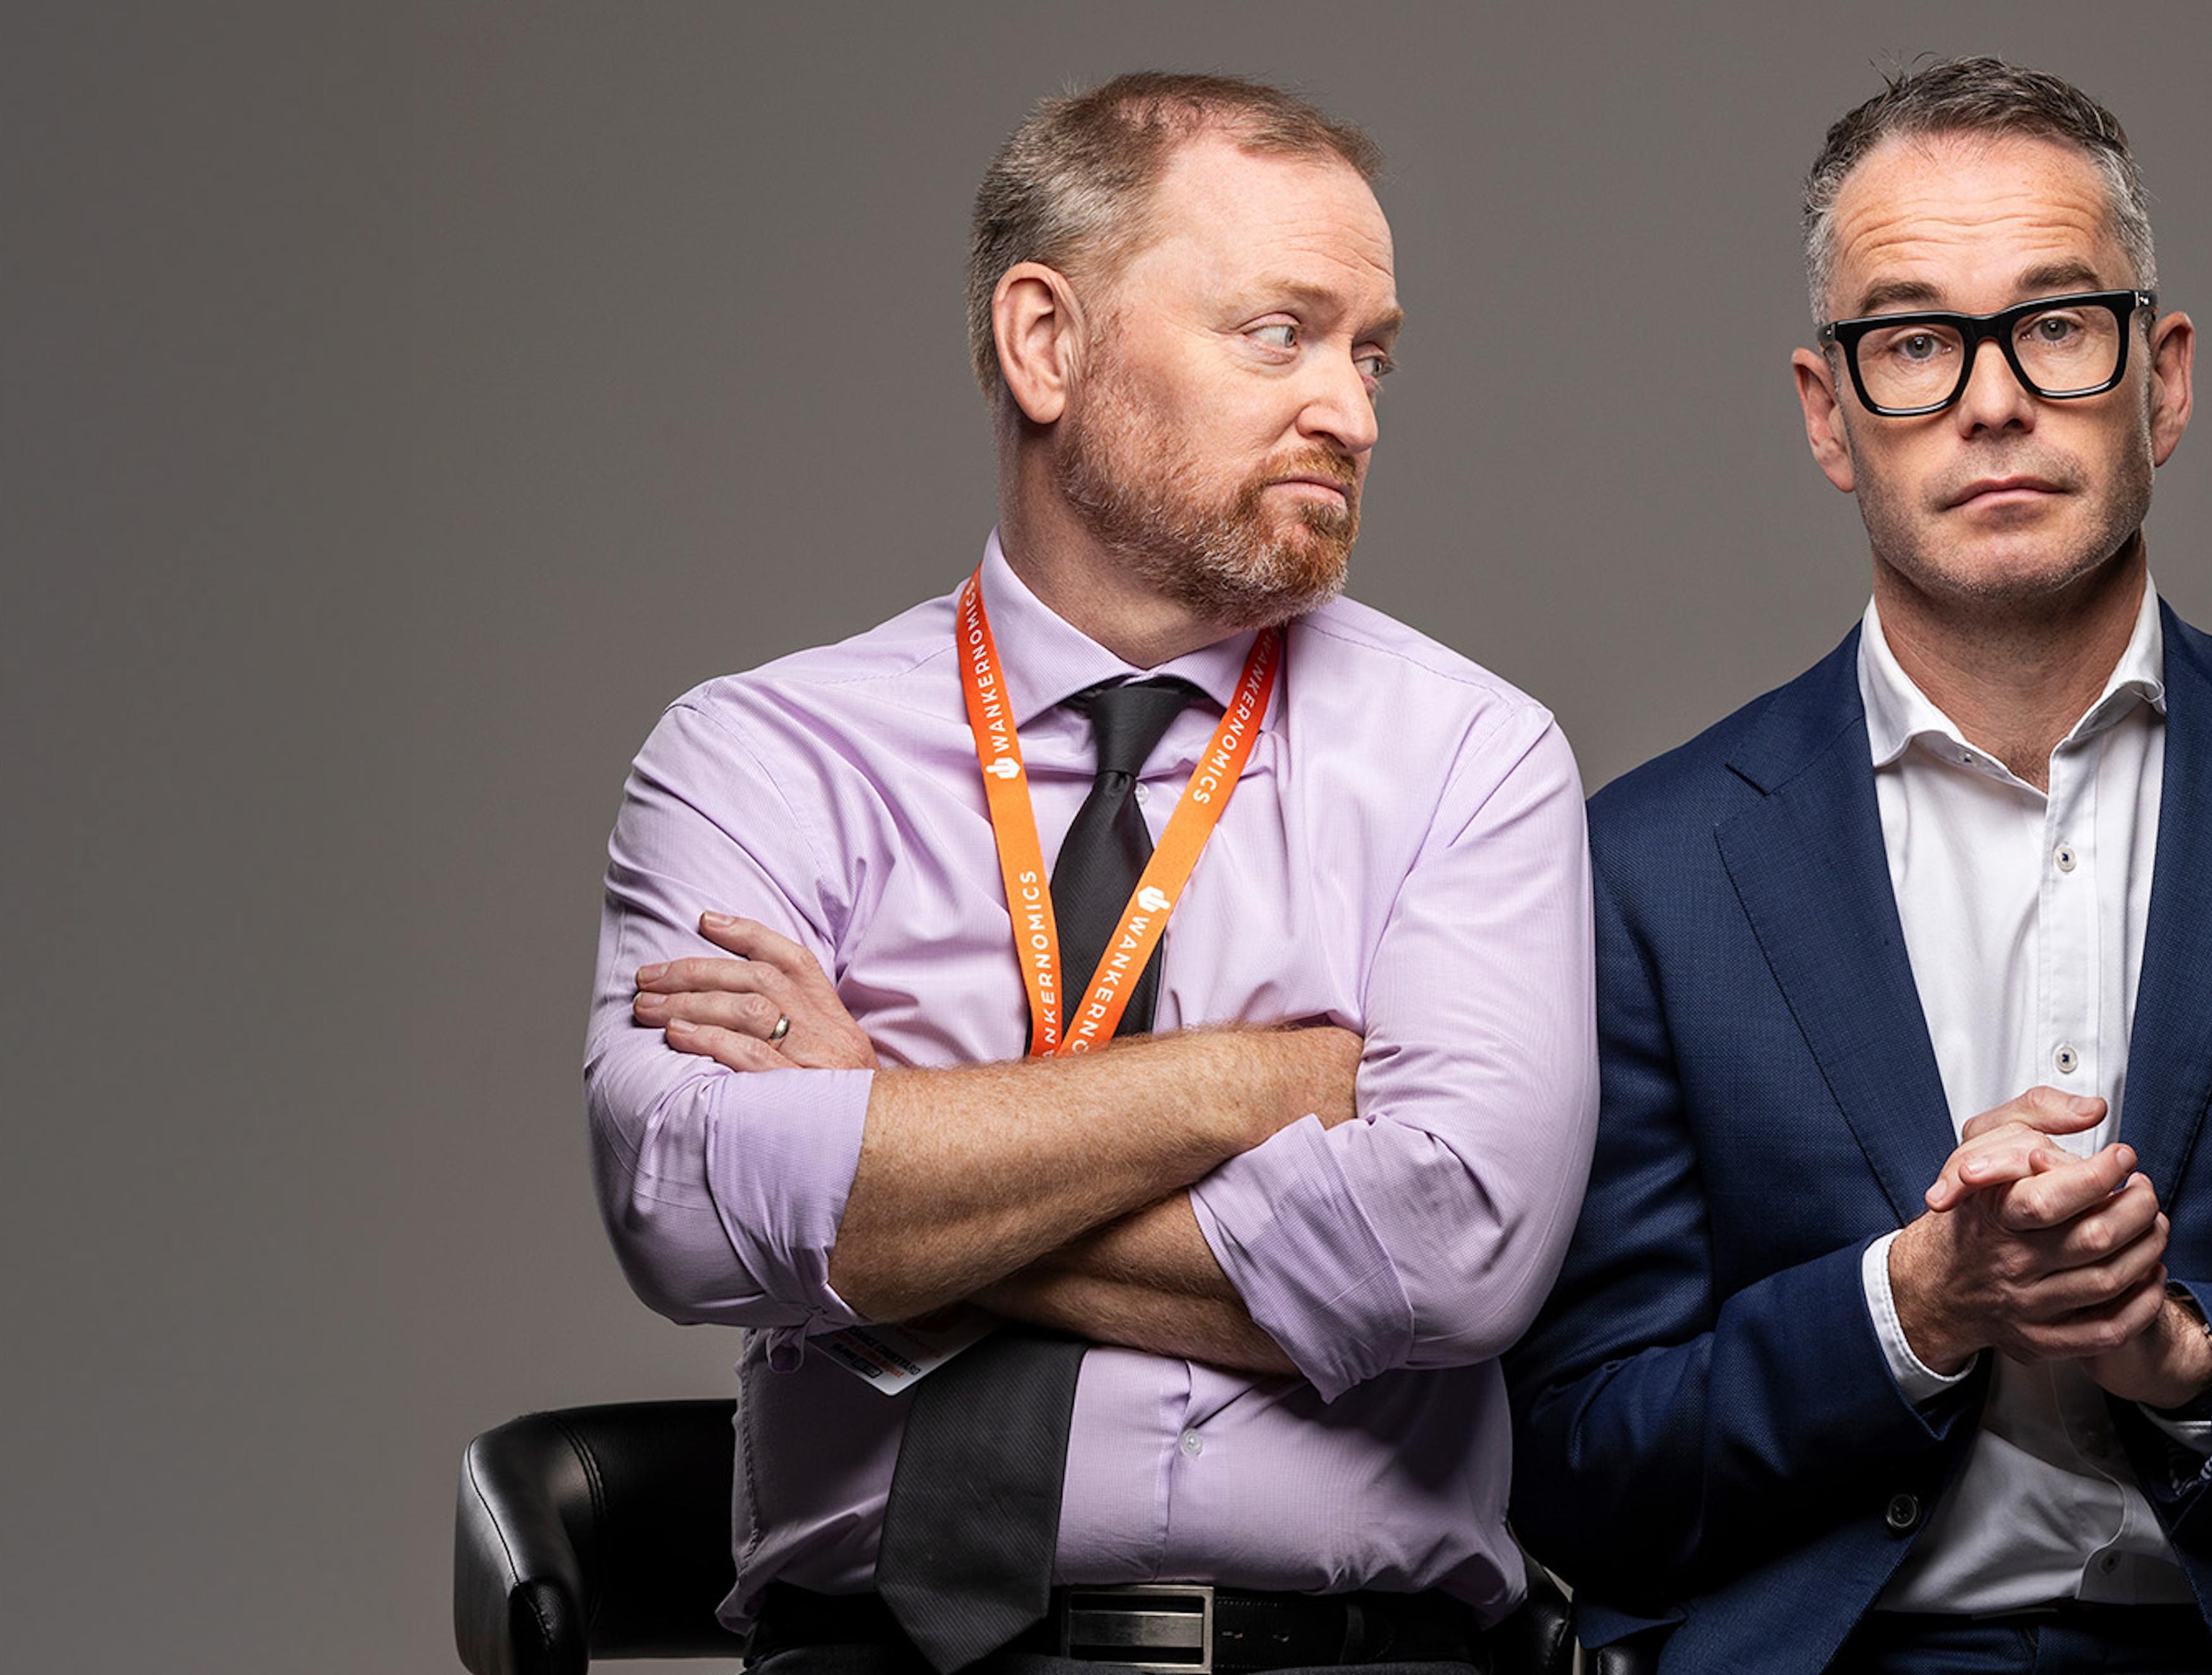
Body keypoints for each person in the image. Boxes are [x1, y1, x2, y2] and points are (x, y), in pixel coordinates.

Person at [1505, 58, 2212, 1675]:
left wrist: (2190, 1354)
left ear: (2161, 378)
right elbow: (1577, 1459)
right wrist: (1917, 1308)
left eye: (2056, 323)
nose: (1990, 397)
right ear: (1828, 412)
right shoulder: (1649, 866)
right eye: (1910, 341)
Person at [584, 73, 1595, 1675]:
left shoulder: (1469, 757)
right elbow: (692, 1216)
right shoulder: (760, 753)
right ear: (1044, 342)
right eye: (1282, 332)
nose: (1354, 409)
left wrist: (897, 1168)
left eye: (1371, 350)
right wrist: (1251, 1089)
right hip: (869, 1658)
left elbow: (1452, 1253)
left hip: (1349, 1658)